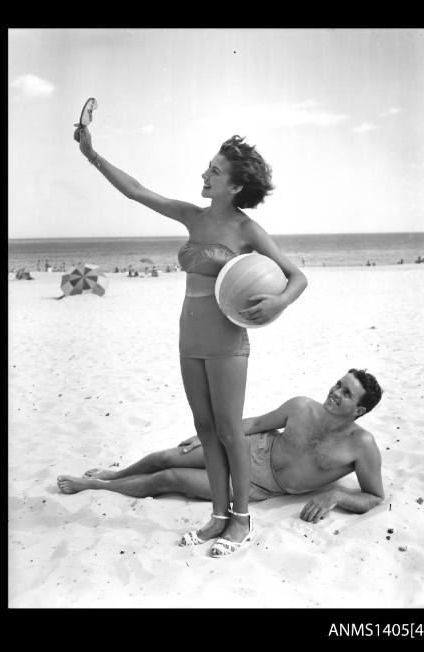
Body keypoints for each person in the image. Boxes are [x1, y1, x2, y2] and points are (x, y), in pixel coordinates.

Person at [73, 125, 308, 556]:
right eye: (208, 167)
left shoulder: (247, 229)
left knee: (229, 430)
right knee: (204, 428)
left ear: (235, 185)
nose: (205, 175)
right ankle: (218, 516)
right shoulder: (193, 216)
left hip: (226, 337)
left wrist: (278, 304)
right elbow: (137, 191)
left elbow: (297, 277)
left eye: (215, 171)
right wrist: (92, 154)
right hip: (189, 333)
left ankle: (241, 519)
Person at [58, 369, 384, 538]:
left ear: (360, 409)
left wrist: (337, 496)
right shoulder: (302, 407)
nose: (335, 392)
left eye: (346, 393)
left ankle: (97, 487)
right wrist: (213, 434)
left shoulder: (362, 446)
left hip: (259, 487)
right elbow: (257, 423)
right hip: (250, 447)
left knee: (169, 478)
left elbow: (374, 496)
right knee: (168, 456)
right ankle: (114, 474)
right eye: (338, 384)